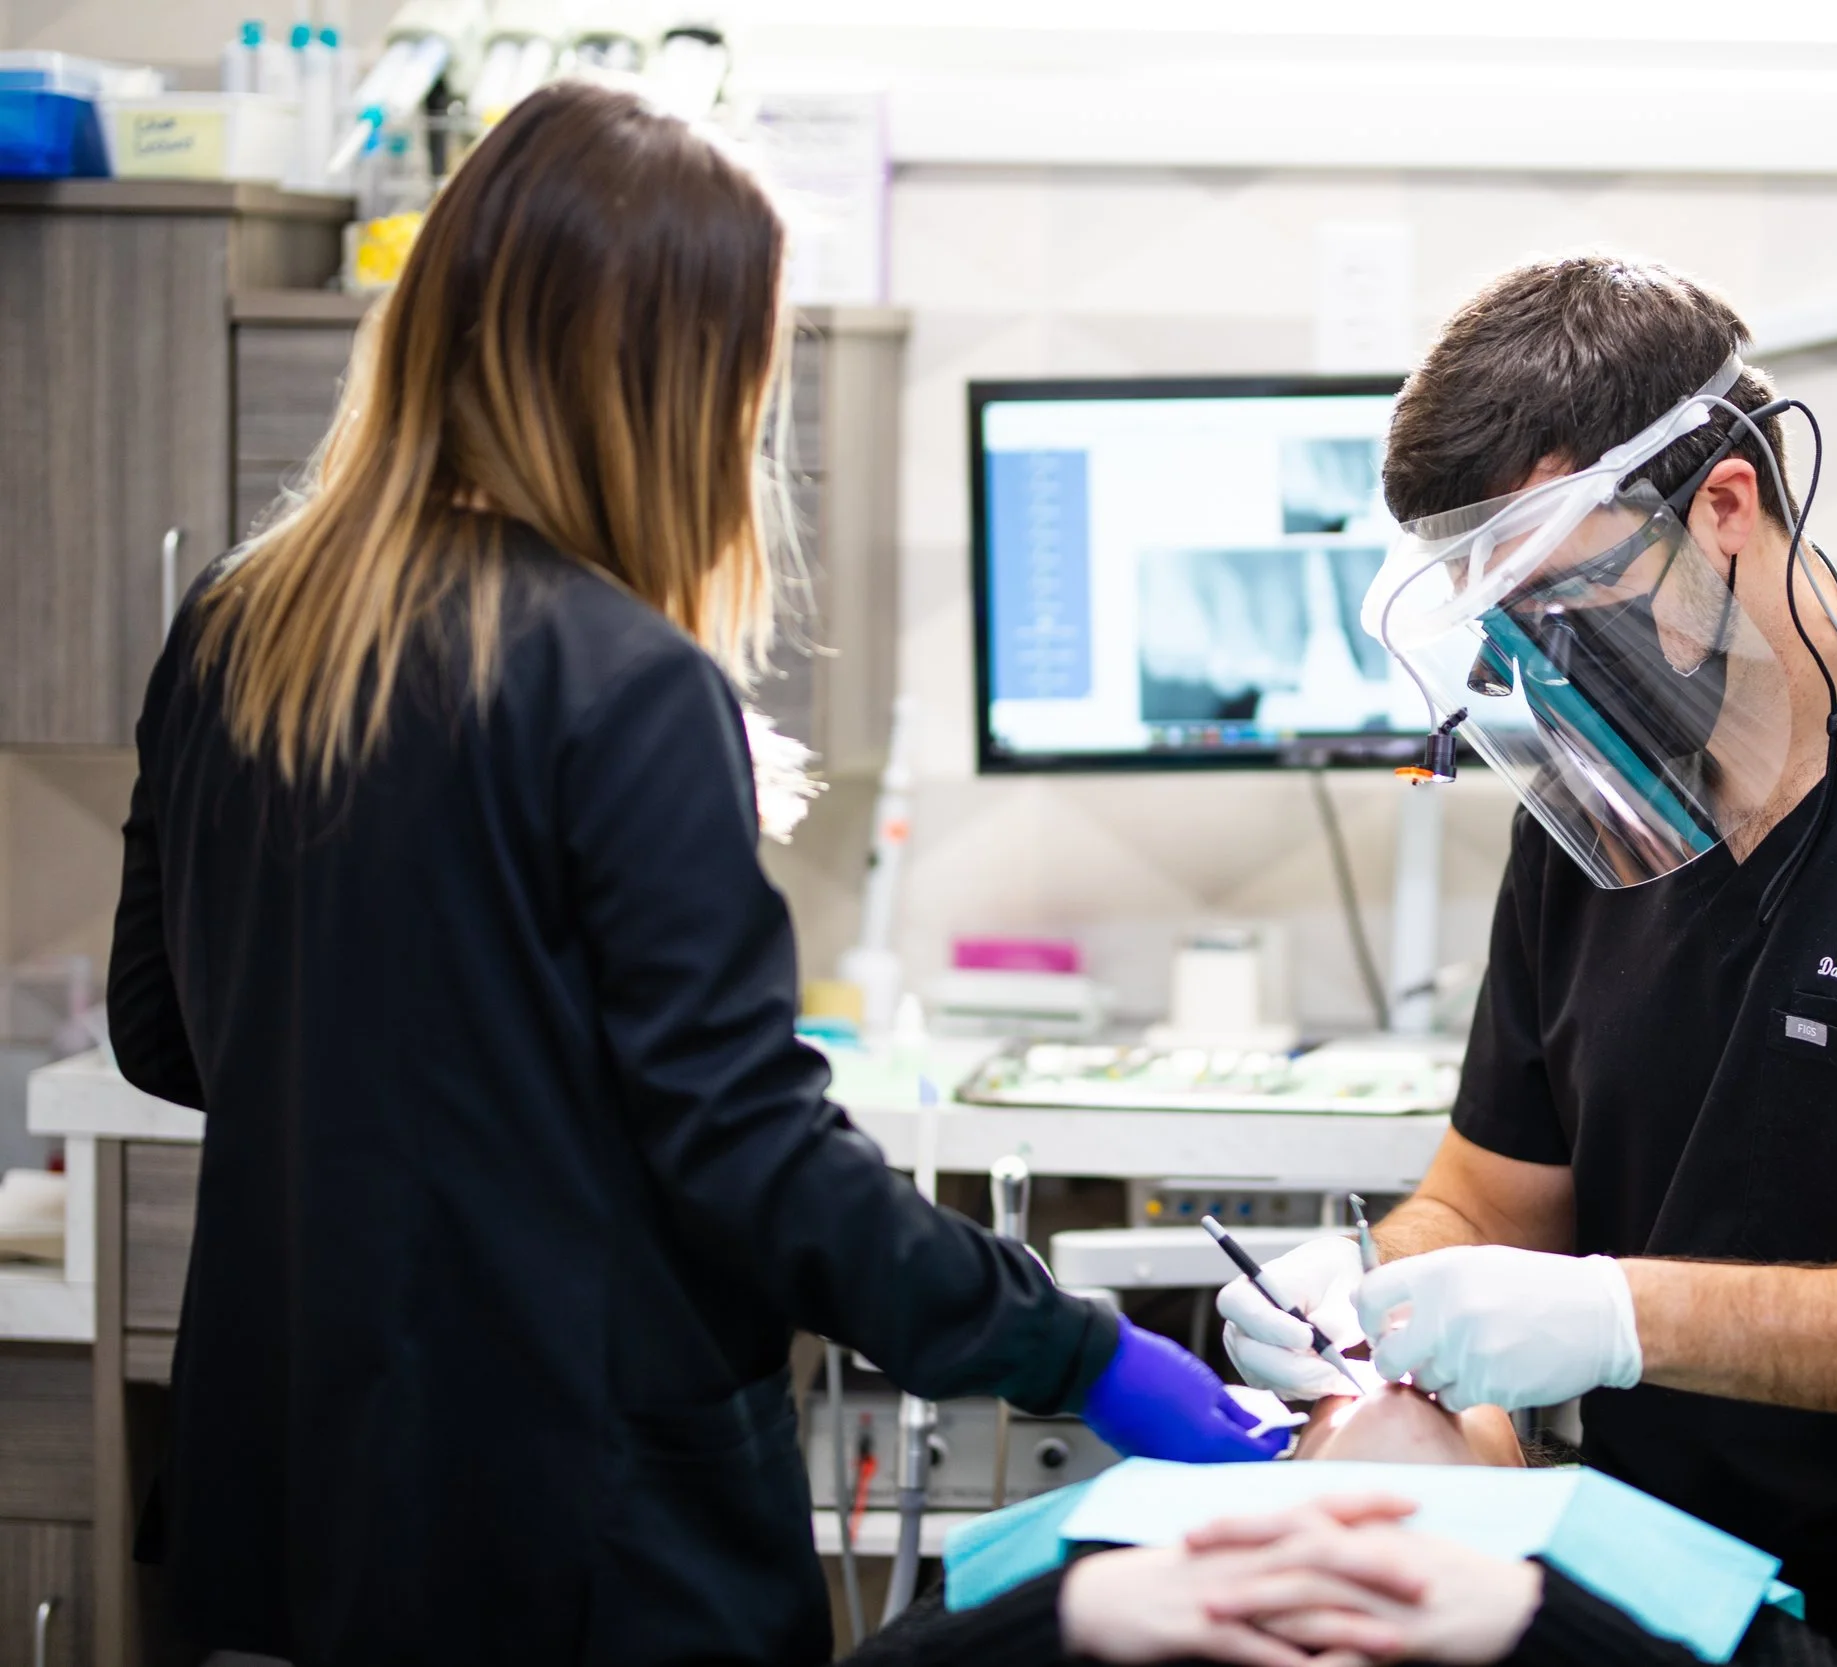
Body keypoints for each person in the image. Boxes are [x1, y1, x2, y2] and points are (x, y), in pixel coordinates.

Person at [105, 82, 1273, 1667]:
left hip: (286, 1515)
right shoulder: (625, 681)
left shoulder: (237, 629)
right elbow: (752, 1156)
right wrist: (1080, 1350)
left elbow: (164, 1036)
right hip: (565, 1545)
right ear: (679, 379)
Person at [1221, 258, 1837, 1667]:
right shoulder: (1597, 816)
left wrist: (1625, 1314)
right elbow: (1487, 1198)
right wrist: (1370, 1306)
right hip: (1665, 1545)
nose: (1532, 667)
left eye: (1557, 605)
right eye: (1495, 621)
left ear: (1726, 508)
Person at [847, 1384, 1837, 1667]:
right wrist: (1067, 1609)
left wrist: (1543, 1620)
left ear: (1523, 1470)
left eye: (1451, 1379)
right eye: (1336, 1375)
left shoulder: (1620, 1568)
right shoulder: (1115, 1552)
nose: (1387, 1367)